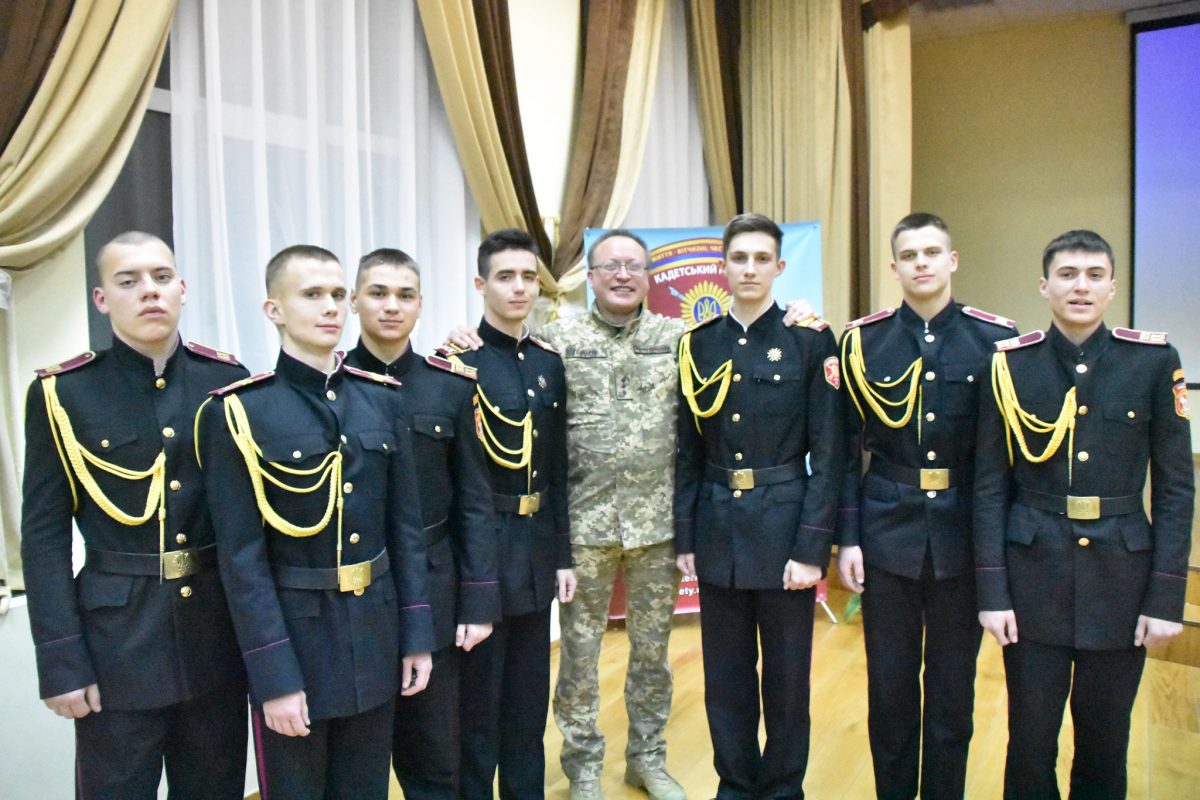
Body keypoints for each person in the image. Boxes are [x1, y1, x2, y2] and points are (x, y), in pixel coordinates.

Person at [196, 244, 434, 799]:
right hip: (297, 643)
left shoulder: (382, 400)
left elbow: (404, 532)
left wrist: (416, 637)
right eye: (311, 295)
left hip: (374, 635)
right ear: (273, 310)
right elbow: (241, 560)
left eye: (336, 295)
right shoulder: (239, 412)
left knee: (365, 788)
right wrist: (274, 676)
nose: (330, 307)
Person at [21, 231, 249, 798]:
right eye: (129, 281)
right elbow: (44, 538)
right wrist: (61, 661)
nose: (149, 291)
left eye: (161, 277)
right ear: (102, 299)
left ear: (182, 289)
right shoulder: (64, 393)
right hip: (116, 645)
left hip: (215, 639)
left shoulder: (226, 381)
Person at [973, 229, 1193, 799]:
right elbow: (990, 488)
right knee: (1029, 743)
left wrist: (1166, 597)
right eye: (1067, 274)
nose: (1081, 286)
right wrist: (992, 591)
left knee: (1105, 743)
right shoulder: (1011, 365)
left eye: (1095, 275)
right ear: (1044, 285)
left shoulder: (1152, 362)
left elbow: (1175, 489)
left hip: (1122, 580)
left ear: (1112, 287)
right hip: (1032, 577)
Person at [836, 213, 1016, 799]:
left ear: (952, 260)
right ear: (894, 267)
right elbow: (844, 453)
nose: (921, 263)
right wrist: (848, 538)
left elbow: (1002, 462)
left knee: (951, 694)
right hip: (886, 532)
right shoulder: (863, 341)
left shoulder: (995, 341)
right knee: (889, 692)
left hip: (962, 536)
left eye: (932, 252)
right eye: (909, 255)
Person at [674, 212, 843, 800]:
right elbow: (688, 451)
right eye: (739, 258)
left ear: (779, 266)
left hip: (785, 528)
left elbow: (830, 452)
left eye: (761, 259)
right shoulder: (697, 344)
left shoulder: (810, 340)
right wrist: (686, 536)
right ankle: (735, 785)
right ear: (723, 265)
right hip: (718, 527)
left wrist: (812, 547)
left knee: (787, 679)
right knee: (725, 678)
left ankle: (783, 789)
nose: (749, 269)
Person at [344, 248, 500, 799]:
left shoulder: (449, 386)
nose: (392, 306)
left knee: (436, 753)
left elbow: (474, 502)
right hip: (358, 592)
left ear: (420, 304)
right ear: (355, 300)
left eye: (404, 295)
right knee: (359, 759)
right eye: (378, 293)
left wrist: (478, 601)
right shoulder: (332, 386)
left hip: (435, 588)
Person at [541, 230, 686, 800]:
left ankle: (647, 759)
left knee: (653, 654)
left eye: (633, 265)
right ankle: (582, 767)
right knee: (579, 656)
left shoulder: (677, 339)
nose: (622, 275)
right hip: (584, 526)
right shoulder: (557, 339)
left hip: (657, 527)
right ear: (591, 277)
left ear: (647, 276)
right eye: (610, 266)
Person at [447, 228, 576, 799]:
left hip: (536, 549)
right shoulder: (456, 363)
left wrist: (563, 555)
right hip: (481, 552)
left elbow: (558, 469)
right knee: (478, 708)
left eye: (528, 277)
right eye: (506, 277)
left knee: (527, 707)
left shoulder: (549, 362)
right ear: (481, 284)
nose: (520, 288)